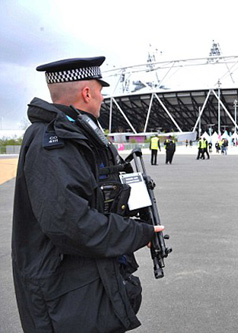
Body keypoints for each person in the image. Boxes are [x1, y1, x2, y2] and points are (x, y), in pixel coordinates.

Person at [11, 56, 164, 332]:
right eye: (101, 90)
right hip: (66, 302)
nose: (103, 98)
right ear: (87, 92)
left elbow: (98, 196)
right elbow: (73, 225)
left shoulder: (80, 135)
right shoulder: (52, 144)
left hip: (86, 292)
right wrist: (137, 233)